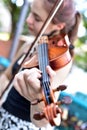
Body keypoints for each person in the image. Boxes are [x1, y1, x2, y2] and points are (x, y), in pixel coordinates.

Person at [0, 0, 81, 129]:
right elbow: (7, 76)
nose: (28, 20)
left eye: (36, 18)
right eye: (30, 13)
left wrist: (36, 98)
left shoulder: (60, 61)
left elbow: (41, 121)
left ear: (59, 26)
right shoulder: (28, 46)